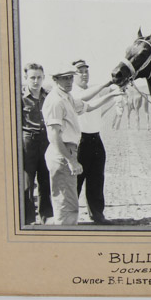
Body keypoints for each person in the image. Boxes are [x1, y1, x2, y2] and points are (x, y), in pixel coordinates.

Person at [42, 63, 119, 226]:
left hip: (67, 152)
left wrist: (113, 94)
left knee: (69, 204)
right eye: (64, 78)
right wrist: (71, 160)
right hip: (62, 154)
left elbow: (88, 106)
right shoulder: (56, 101)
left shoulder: (67, 97)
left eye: (70, 77)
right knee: (66, 205)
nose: (69, 81)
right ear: (55, 80)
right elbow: (53, 135)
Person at [71, 59, 116, 224]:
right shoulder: (73, 92)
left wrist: (116, 95)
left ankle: (97, 214)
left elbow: (99, 111)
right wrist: (109, 87)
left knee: (96, 179)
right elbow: (85, 102)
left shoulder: (93, 91)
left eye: (86, 71)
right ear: (73, 75)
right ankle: (70, 217)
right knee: (76, 181)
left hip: (96, 138)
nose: (84, 75)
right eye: (80, 72)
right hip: (79, 140)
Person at [20, 63, 52, 225]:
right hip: (28, 142)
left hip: (46, 141)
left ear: (43, 78)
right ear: (26, 78)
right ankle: (29, 219)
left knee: (46, 180)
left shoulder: (48, 96)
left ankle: (46, 217)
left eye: (39, 77)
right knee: (27, 181)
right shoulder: (20, 98)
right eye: (32, 77)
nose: (36, 81)